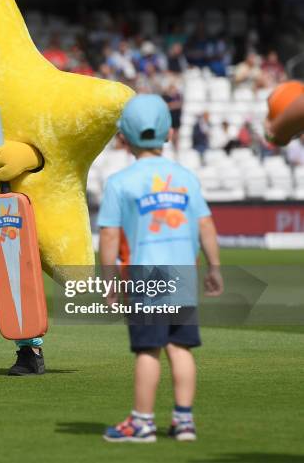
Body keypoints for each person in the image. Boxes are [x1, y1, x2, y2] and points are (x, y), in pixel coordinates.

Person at [97, 95, 223, 442]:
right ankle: (184, 421)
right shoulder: (186, 177)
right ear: (169, 134)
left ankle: (142, 422)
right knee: (180, 347)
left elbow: (109, 236)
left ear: (123, 136)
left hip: (147, 276)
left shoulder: (120, 183)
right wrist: (214, 268)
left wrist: (109, 282)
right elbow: (207, 226)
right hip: (184, 274)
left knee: (148, 350)